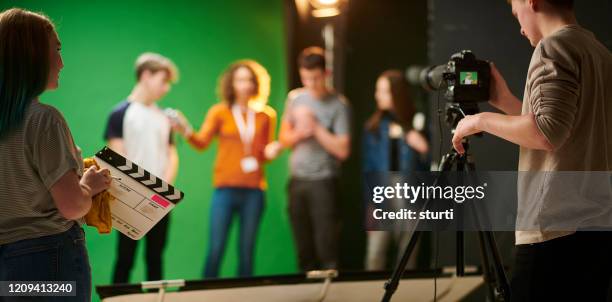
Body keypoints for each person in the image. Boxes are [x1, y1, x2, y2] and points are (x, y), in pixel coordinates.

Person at [451, 0, 612, 300]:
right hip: (598, 229)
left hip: (553, 231)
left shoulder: (553, 48)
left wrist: (479, 120)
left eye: (516, 12)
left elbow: (546, 133)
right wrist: (507, 101)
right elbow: (564, 129)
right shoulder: (598, 52)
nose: (519, 26)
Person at [0, 8, 111, 301]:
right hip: (49, 259)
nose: (61, 63)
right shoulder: (44, 119)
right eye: (56, 50)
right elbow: (73, 207)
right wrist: (89, 185)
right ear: (31, 55)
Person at [174, 60, 278, 278]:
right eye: (240, 80)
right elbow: (202, 142)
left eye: (249, 80)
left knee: (247, 251)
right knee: (216, 248)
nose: (245, 85)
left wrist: (272, 151)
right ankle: (204, 296)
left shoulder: (266, 115)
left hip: (255, 191)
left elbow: (263, 154)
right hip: (225, 190)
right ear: (231, 84)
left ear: (256, 84)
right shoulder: (219, 112)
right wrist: (185, 130)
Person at [105, 52, 180, 283]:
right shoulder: (120, 114)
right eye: (163, 81)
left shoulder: (164, 118)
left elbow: (171, 154)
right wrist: (138, 195)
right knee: (125, 259)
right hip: (130, 202)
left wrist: (163, 190)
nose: (166, 88)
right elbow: (117, 156)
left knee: (155, 260)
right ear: (146, 76)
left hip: (160, 201)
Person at [279, 47, 351, 271]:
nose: (311, 83)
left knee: (326, 246)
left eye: (316, 78)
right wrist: (300, 133)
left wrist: (316, 127)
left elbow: (343, 151)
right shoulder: (295, 98)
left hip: (324, 182)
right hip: (297, 181)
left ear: (326, 74)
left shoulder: (339, 105)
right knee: (303, 248)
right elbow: (283, 138)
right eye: (306, 78)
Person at [362, 70, 430, 271]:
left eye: (383, 91)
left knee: (407, 259)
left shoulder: (418, 124)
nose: (378, 95)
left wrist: (420, 145)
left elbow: (431, 162)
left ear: (396, 94)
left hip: (411, 196)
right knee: (374, 258)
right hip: (382, 195)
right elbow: (368, 168)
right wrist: (370, 205)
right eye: (378, 91)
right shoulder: (373, 128)